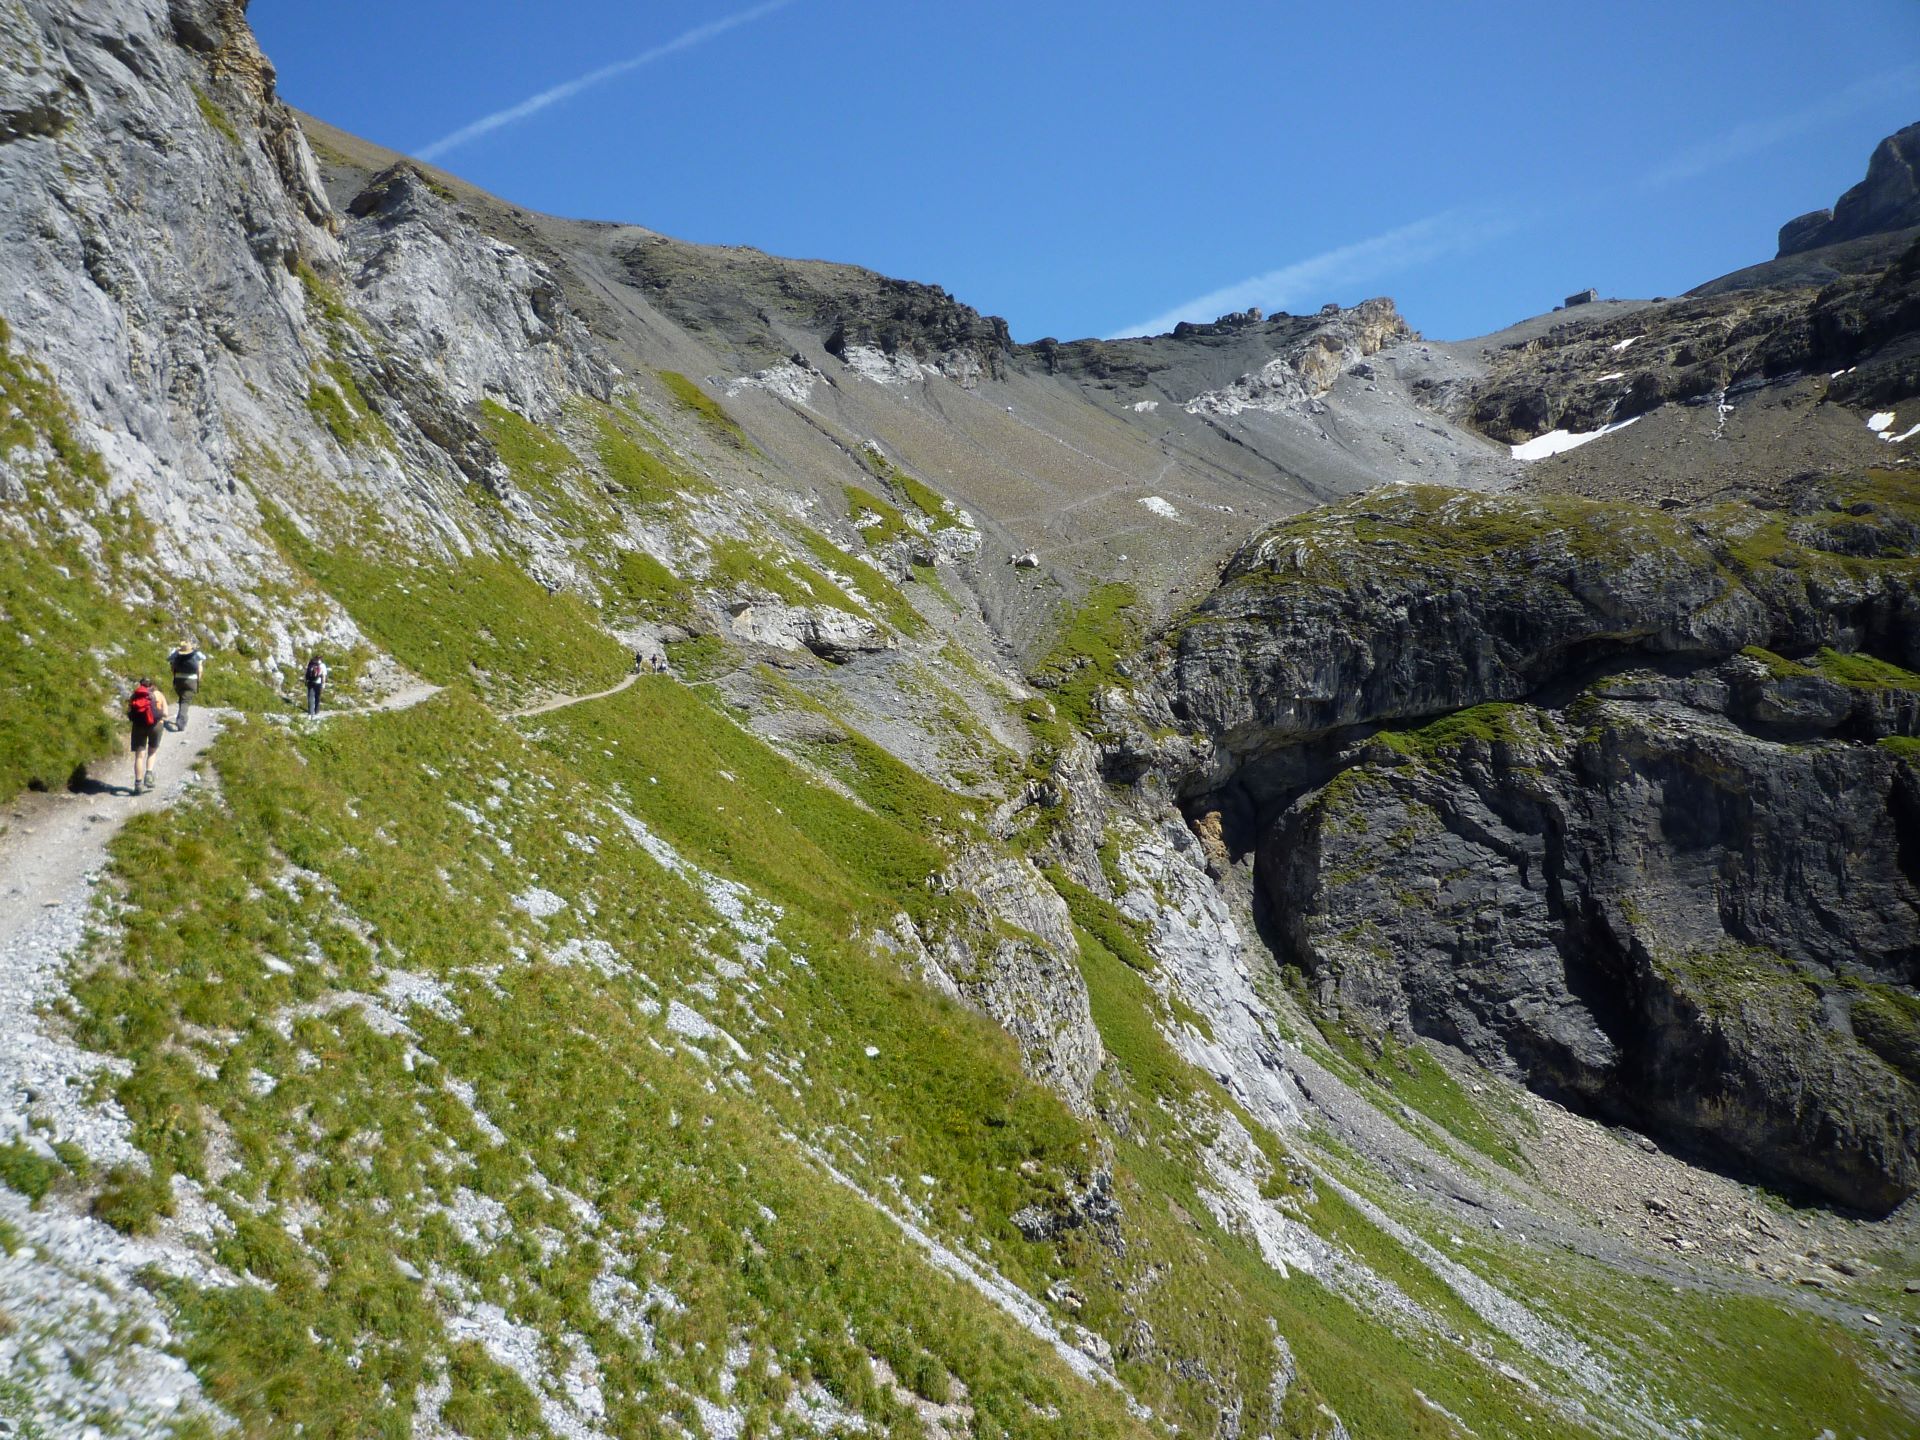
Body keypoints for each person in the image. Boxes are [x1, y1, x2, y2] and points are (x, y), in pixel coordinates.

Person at [127, 677, 168, 793]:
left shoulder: (135, 696)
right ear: (152, 684)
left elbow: (130, 713)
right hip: (156, 726)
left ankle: (138, 784)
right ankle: (148, 774)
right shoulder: (159, 695)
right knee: (152, 751)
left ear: (141, 685)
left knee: (139, 756)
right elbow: (165, 713)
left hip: (138, 726)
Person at [168, 639, 205, 731]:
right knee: (185, 701)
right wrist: (198, 679)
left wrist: (175, 676)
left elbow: (172, 667)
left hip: (178, 679)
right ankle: (181, 722)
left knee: (182, 698)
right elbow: (199, 669)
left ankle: (182, 717)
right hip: (191, 680)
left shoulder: (176, 654)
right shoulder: (196, 654)